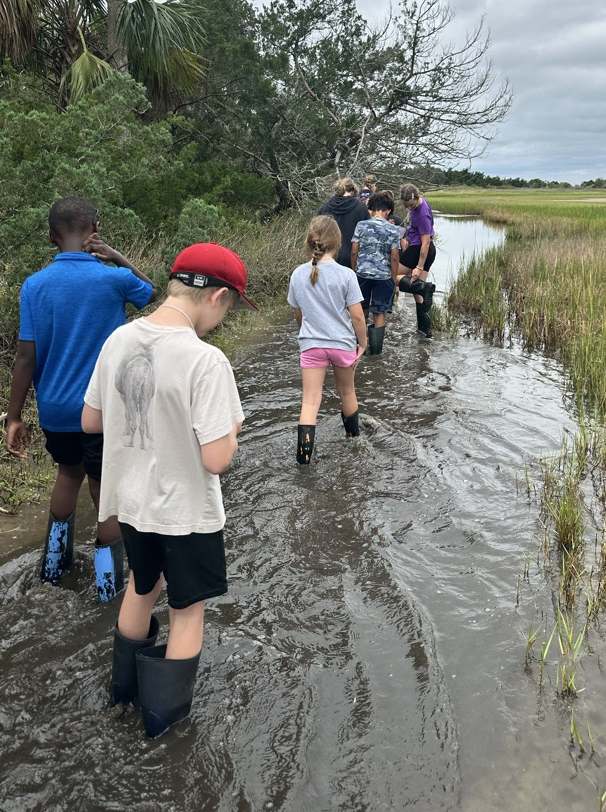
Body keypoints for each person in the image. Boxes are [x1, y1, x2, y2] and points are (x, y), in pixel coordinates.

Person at [82, 242, 255, 738]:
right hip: (185, 512)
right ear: (218, 297)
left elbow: (89, 419)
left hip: (130, 503)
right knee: (187, 610)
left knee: (142, 584)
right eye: (230, 309)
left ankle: (121, 696)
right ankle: (163, 725)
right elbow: (217, 458)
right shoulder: (206, 360)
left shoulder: (118, 340)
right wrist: (231, 431)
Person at [6, 196, 155, 601]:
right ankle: (108, 589)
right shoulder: (113, 279)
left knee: (68, 475)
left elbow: (25, 355)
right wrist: (118, 256)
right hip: (103, 409)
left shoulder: (34, 285)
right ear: (95, 230)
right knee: (104, 487)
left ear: (51, 236)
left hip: (55, 407)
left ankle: (53, 568)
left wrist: (13, 416)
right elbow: (151, 291)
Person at [288, 215, 367, 465]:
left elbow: (298, 313)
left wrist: (308, 333)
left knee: (310, 400)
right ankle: (354, 441)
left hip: (311, 345)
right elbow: (357, 317)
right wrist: (362, 344)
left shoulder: (298, 274)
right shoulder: (346, 275)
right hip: (342, 344)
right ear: (337, 242)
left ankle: (303, 459)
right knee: (347, 392)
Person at [350, 192, 402, 356]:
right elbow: (394, 257)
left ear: (371, 210)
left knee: (361, 309)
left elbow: (353, 251)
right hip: (383, 276)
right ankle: (376, 352)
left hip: (362, 274)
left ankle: (360, 347)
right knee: (379, 313)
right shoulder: (393, 229)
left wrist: (354, 271)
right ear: (388, 211)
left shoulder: (361, 225)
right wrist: (393, 280)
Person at [396, 183, 437, 338]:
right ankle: (425, 331)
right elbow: (410, 218)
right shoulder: (416, 202)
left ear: (416, 198)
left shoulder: (423, 213)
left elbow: (425, 241)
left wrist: (419, 266)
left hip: (420, 250)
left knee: (390, 277)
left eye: (412, 206)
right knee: (419, 295)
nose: (410, 208)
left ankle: (422, 288)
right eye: (407, 206)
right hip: (425, 250)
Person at [318, 177, 370, 268]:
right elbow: (367, 235)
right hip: (353, 259)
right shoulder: (361, 208)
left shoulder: (326, 207)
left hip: (329, 256)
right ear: (353, 190)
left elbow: (317, 230)